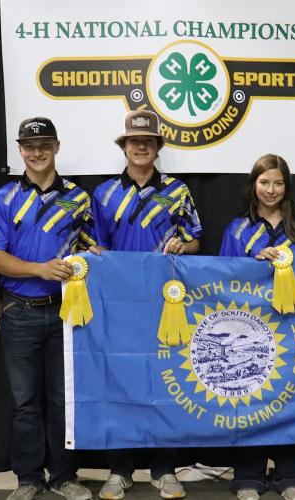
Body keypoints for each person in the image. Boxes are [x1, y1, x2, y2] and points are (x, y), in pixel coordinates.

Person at [82, 109, 202, 500]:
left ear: (156, 147)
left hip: (167, 303)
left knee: (166, 380)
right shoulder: (103, 194)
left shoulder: (178, 190)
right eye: (134, 141)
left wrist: (185, 245)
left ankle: (164, 467)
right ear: (125, 146)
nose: (140, 146)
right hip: (119, 304)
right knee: (120, 379)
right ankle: (120, 469)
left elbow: (196, 240)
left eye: (147, 141)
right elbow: (93, 246)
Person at [0, 117, 93, 500]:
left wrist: (93, 255)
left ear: (57, 146)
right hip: (20, 312)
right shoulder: (2, 198)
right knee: (25, 402)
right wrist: (39, 269)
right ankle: (28, 479)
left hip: (66, 312)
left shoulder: (79, 198)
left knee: (64, 400)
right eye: (29, 146)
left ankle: (64, 477)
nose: (37, 152)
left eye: (44, 144)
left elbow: (93, 250)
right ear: (19, 150)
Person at [219, 154, 295, 500]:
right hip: (250, 329)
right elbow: (222, 280)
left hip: (293, 328)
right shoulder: (237, 229)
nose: (271, 190)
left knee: (290, 395)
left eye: (278, 183)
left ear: (287, 186)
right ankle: (249, 474)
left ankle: (291, 472)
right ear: (253, 185)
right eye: (264, 182)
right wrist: (252, 265)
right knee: (251, 396)